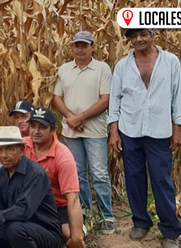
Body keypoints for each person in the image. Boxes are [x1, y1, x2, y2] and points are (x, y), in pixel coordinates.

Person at [108, 28, 181, 248]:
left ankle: (171, 231)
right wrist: (114, 131)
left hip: (159, 131)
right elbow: (115, 99)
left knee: (161, 180)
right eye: (133, 37)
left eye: (143, 34)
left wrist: (178, 128)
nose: (138, 39)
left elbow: (177, 94)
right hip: (129, 130)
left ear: (153, 36)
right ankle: (141, 222)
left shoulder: (170, 62)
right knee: (133, 179)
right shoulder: (123, 66)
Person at [52, 31, 115, 233]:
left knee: (99, 174)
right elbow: (56, 98)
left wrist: (80, 118)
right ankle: (87, 213)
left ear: (92, 47)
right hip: (71, 132)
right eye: (77, 45)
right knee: (78, 176)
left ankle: (106, 216)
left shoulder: (102, 69)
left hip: (95, 131)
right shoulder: (64, 70)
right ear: (72, 47)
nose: (80, 49)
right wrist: (71, 117)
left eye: (84, 45)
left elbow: (105, 99)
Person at [23, 108, 85, 248]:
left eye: (42, 127)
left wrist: (76, 238)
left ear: (53, 129)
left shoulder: (63, 156)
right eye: (33, 126)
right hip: (29, 203)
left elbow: (73, 198)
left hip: (56, 206)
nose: (36, 131)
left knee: (67, 234)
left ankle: (78, 228)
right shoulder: (22, 146)